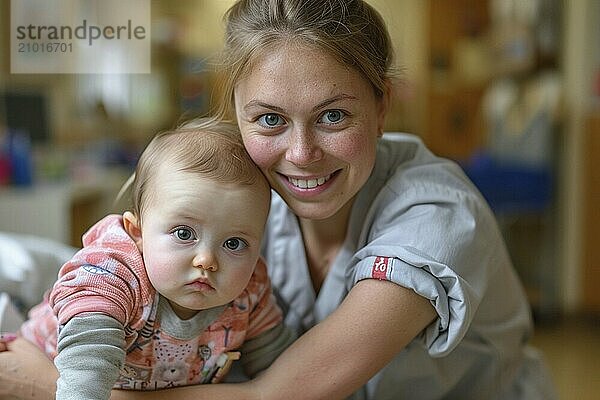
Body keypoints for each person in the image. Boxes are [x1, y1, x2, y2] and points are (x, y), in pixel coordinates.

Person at [1, 0, 557, 399]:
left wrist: (42, 382)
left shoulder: (435, 218)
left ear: (382, 104)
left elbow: (276, 394)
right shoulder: (246, 201)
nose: (301, 154)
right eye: (269, 119)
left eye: (333, 115)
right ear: (236, 111)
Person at [0, 118, 294, 399]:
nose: (206, 260)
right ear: (137, 233)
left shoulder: (250, 289)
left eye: (234, 243)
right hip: (51, 376)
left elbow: (277, 365)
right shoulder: (112, 277)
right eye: (183, 233)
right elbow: (87, 369)